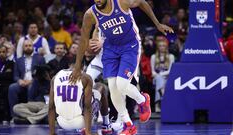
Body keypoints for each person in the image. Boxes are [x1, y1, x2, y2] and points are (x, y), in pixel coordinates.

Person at [70, 0, 173, 134]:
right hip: (110, 49)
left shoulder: (121, 2)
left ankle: (142, 100)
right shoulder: (90, 14)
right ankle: (128, 124)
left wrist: (157, 24)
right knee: (113, 88)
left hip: (130, 46)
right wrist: (78, 66)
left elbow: (142, 2)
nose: (98, 0)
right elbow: (84, 39)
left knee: (122, 84)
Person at [49, 65, 112, 135]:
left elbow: (51, 107)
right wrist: (88, 132)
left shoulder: (55, 78)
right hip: (80, 122)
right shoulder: (85, 77)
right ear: (81, 68)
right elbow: (87, 107)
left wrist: (52, 133)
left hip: (61, 122)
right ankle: (106, 125)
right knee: (100, 87)